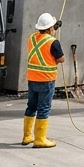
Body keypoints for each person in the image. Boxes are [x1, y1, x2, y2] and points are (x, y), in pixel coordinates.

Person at [24, 12, 65, 148]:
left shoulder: (31, 38)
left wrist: (53, 28)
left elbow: (43, 40)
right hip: (46, 80)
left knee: (31, 106)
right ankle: (40, 139)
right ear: (50, 28)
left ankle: (27, 136)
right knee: (44, 108)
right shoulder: (53, 42)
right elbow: (61, 59)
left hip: (32, 79)